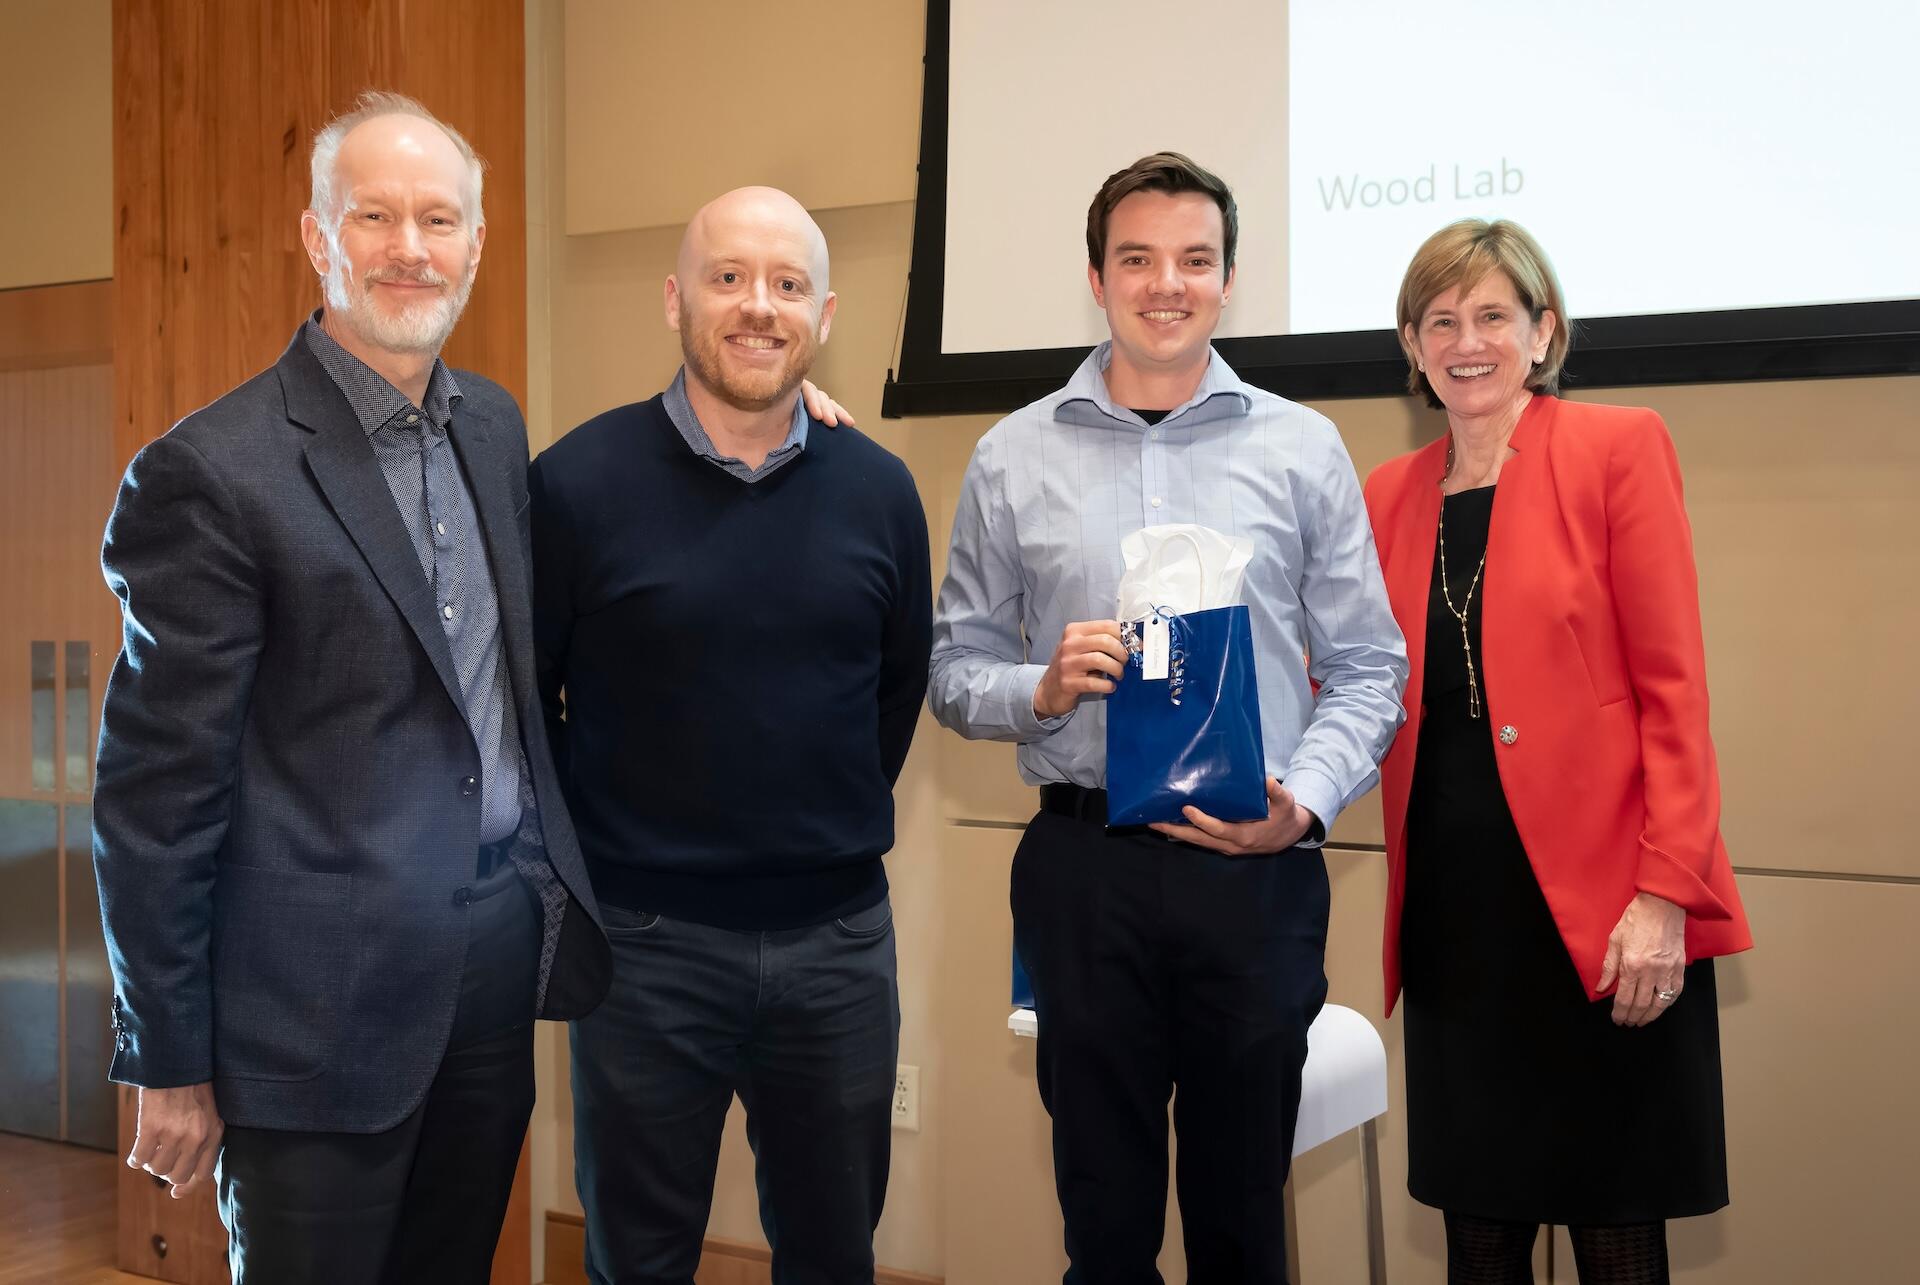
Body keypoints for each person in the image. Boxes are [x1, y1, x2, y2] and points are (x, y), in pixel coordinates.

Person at [92, 92, 612, 1282]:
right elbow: (154, 799)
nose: (410, 248)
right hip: (306, 1019)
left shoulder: (492, 427)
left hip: (486, 974)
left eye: (440, 218)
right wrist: (166, 1053)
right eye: (373, 215)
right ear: (319, 238)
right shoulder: (211, 473)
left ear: (478, 244)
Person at [928, 153, 1407, 1284]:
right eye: (1136, 258)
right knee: (1103, 1218)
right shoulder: (1011, 454)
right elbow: (953, 670)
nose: (1166, 283)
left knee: (1244, 1216)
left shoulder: (1302, 447)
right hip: (1081, 866)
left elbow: (1371, 667)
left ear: (1229, 279)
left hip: (1254, 869)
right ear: (1095, 278)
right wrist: (1038, 686)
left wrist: (1304, 809)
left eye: (1195, 259)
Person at [531, 185, 933, 1285]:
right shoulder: (574, 484)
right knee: (638, 1257)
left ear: (826, 314)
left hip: (840, 948)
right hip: (646, 951)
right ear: (675, 300)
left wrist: (816, 820)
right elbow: (531, 700)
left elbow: (894, 694)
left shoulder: (881, 490)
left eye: (787, 284)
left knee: (832, 1253)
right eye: (728, 277)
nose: (758, 306)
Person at [1362, 218, 1755, 1285]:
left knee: (1615, 1226)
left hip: (1607, 925)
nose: (1466, 340)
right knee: (1478, 1235)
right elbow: (1353, 688)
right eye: (1439, 320)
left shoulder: (1618, 447)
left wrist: (1666, 894)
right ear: (1411, 343)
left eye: (1493, 314)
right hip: (1456, 924)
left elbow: (1677, 691)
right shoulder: (1385, 495)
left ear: (1544, 332)